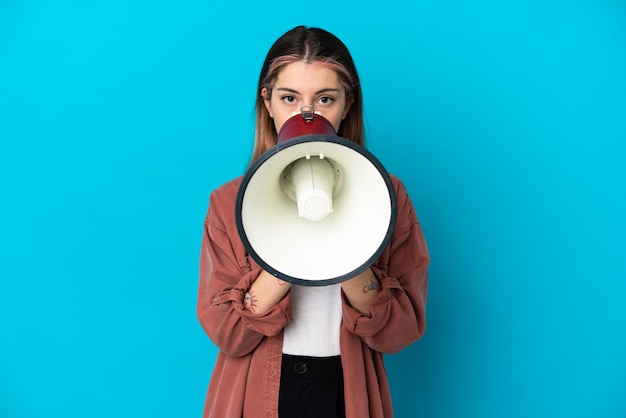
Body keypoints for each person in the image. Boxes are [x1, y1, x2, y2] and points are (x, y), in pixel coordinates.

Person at [197, 25, 429, 418]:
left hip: (345, 391)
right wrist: (294, 245)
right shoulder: (228, 203)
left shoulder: (386, 196)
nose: (308, 113)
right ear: (267, 102)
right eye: (290, 98)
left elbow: (400, 331)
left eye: (325, 98)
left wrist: (344, 240)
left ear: (347, 103)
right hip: (256, 394)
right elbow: (228, 333)